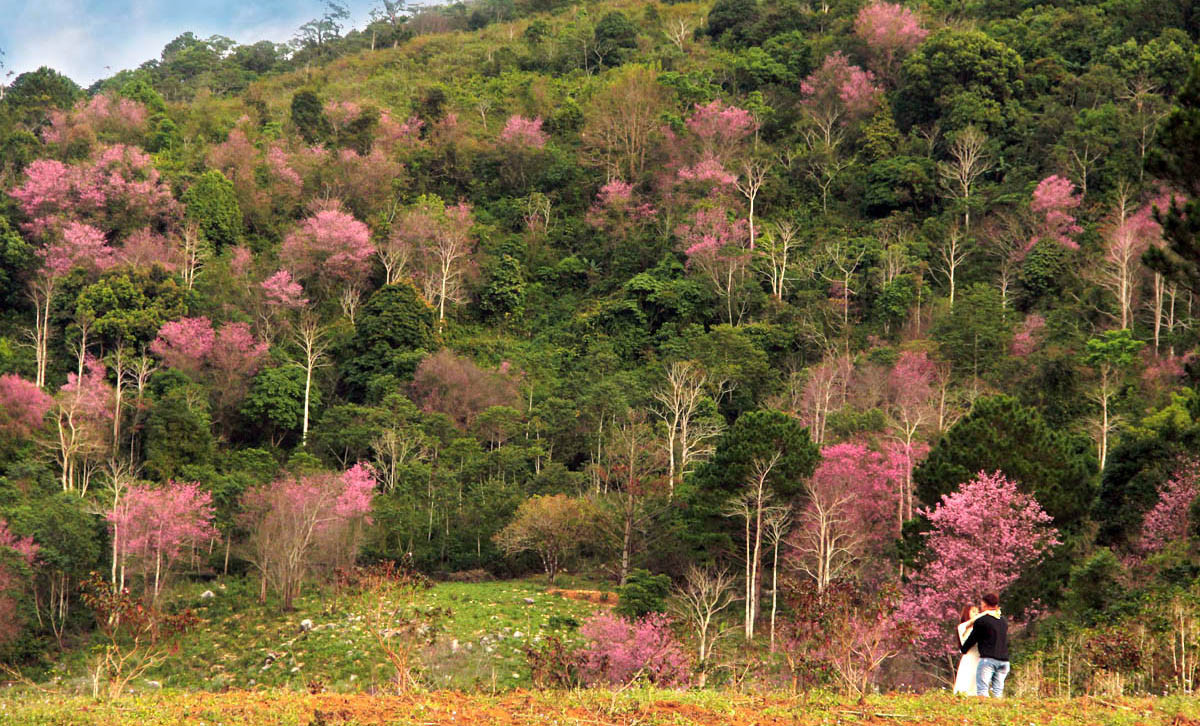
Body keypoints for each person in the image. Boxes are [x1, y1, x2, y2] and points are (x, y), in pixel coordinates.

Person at [959, 592, 1010, 698]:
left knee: (982, 690)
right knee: (998, 692)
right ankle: (998, 711)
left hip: (988, 659)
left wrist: (963, 649)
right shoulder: (1003, 621)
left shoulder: (982, 621)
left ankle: (984, 712)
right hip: (1004, 661)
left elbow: (972, 639)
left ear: (985, 605)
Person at [953, 604, 981, 695]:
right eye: (973, 611)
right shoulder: (962, 627)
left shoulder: (980, 627)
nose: (976, 614)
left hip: (979, 658)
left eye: (978, 612)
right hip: (969, 658)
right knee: (966, 686)